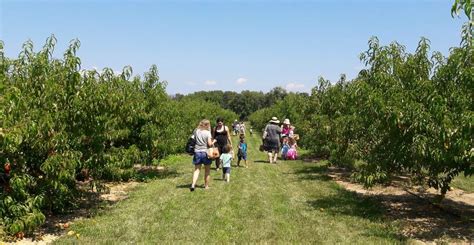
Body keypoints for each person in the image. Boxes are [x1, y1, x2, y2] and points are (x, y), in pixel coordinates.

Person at [190, 119, 216, 191]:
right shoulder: (207, 133)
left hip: (197, 152)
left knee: (197, 170)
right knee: (207, 171)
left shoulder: (196, 131)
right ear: (207, 125)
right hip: (205, 153)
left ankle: (193, 184)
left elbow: (193, 140)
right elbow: (209, 144)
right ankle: (206, 186)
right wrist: (214, 141)